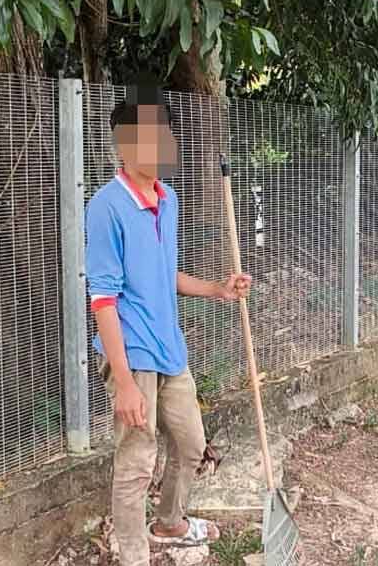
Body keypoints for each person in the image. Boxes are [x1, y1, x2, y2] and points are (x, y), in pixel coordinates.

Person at [86, 85, 251, 566]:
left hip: (168, 347)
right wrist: (123, 384)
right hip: (131, 353)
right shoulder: (107, 206)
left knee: (192, 443)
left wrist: (217, 289)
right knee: (137, 463)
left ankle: (170, 522)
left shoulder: (168, 198)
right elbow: (103, 299)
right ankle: (134, 556)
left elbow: (164, 272)